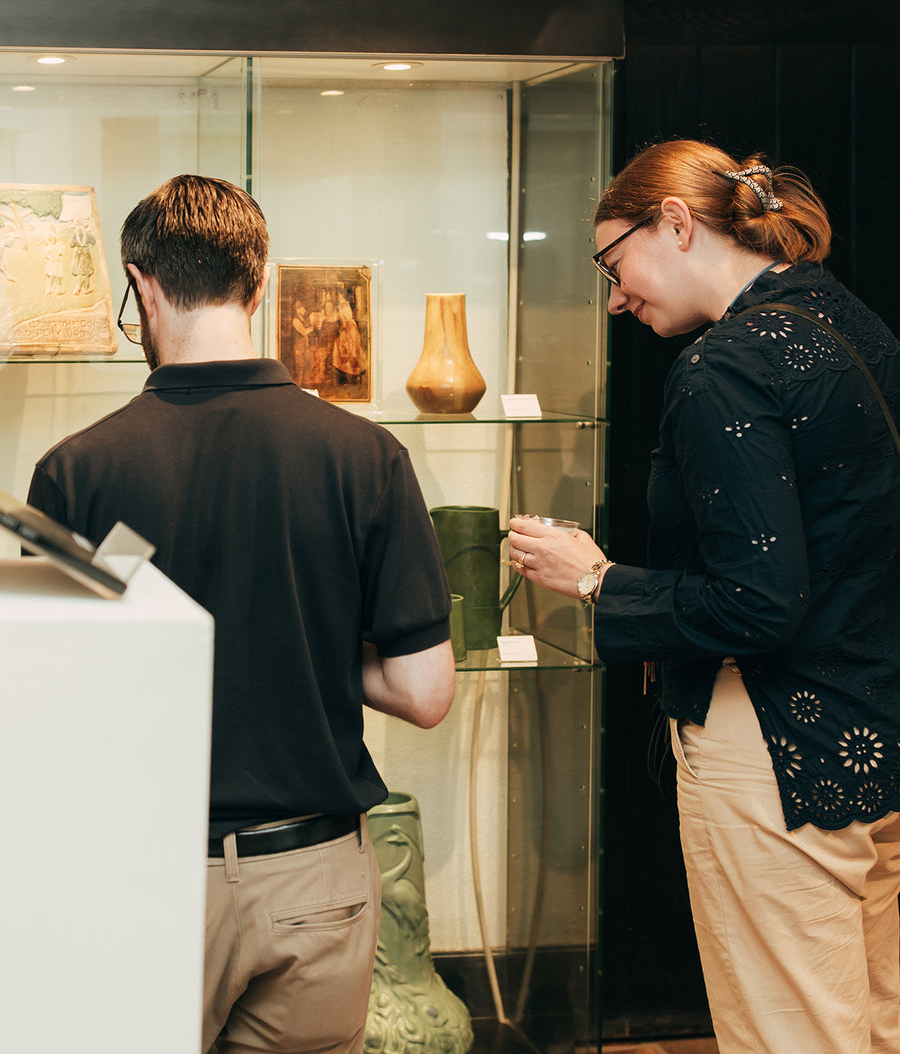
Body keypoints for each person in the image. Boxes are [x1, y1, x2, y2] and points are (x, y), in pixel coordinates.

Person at [26, 174, 456, 1054]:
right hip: (314, 878)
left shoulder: (79, 470)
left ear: (140, 285)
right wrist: (304, 641)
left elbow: (51, 701)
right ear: (258, 286)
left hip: (144, 874)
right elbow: (424, 691)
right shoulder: (366, 457)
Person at [507, 140, 900, 1053]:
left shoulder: (723, 365)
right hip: (873, 730)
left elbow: (758, 602)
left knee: (791, 1034)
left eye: (614, 263)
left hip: (774, 743)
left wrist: (597, 579)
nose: (615, 296)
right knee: (873, 1025)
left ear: (676, 223)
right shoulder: (856, 325)